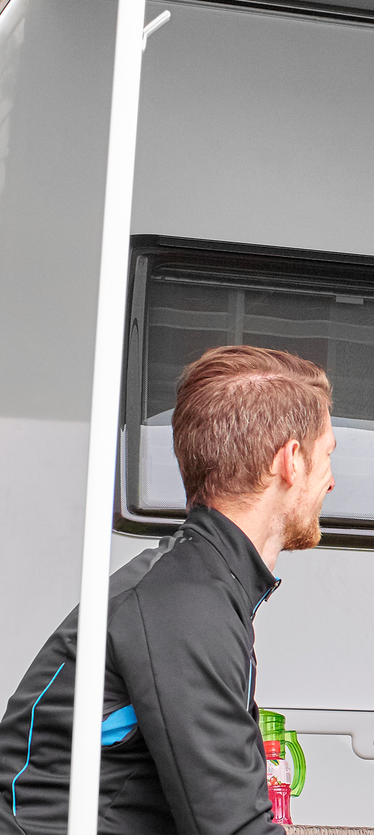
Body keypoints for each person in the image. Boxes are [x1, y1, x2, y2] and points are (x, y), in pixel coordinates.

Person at [0, 346, 335, 835]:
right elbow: (231, 827)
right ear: (290, 461)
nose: (332, 482)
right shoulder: (185, 602)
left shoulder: (200, 583)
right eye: (327, 455)